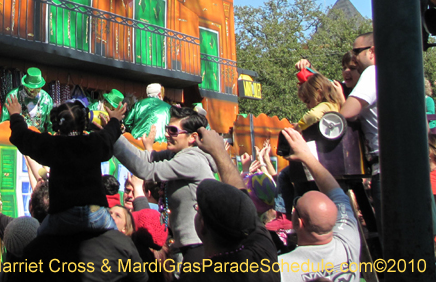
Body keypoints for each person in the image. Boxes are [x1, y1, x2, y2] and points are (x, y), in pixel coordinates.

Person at [7, 96, 126, 236]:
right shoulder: (95, 142)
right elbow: (109, 135)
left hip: (63, 216)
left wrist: (15, 115)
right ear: (84, 122)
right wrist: (114, 120)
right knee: (118, 240)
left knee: (39, 239)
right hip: (96, 214)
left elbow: (23, 136)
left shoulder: (53, 145)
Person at [113, 107, 216, 265]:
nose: (167, 134)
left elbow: (147, 170)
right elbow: (144, 157)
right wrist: (112, 134)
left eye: (173, 131)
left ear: (192, 137)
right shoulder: (175, 155)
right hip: (182, 244)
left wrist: (111, 139)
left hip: (196, 246)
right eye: (167, 129)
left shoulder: (192, 160)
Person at [180, 127, 280, 281]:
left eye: (198, 210)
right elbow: (242, 203)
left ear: (202, 225)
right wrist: (219, 151)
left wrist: (218, 151)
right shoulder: (262, 255)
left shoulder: (195, 277)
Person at [277, 128, 360, 282]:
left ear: (298, 222)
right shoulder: (348, 241)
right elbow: (337, 194)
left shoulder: (280, 268)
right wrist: (307, 156)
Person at [340, 31, 381, 233]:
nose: (354, 57)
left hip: (388, 169)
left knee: (389, 234)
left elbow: (346, 113)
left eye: (357, 51)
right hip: (410, 165)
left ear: (372, 51)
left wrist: (341, 100)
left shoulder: (372, 72)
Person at [0, 67, 54, 132]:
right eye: (32, 89)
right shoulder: (13, 96)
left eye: (38, 89)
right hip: (18, 136)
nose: (35, 92)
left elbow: (52, 124)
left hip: (38, 137)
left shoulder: (46, 99)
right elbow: (4, 123)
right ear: (25, 86)